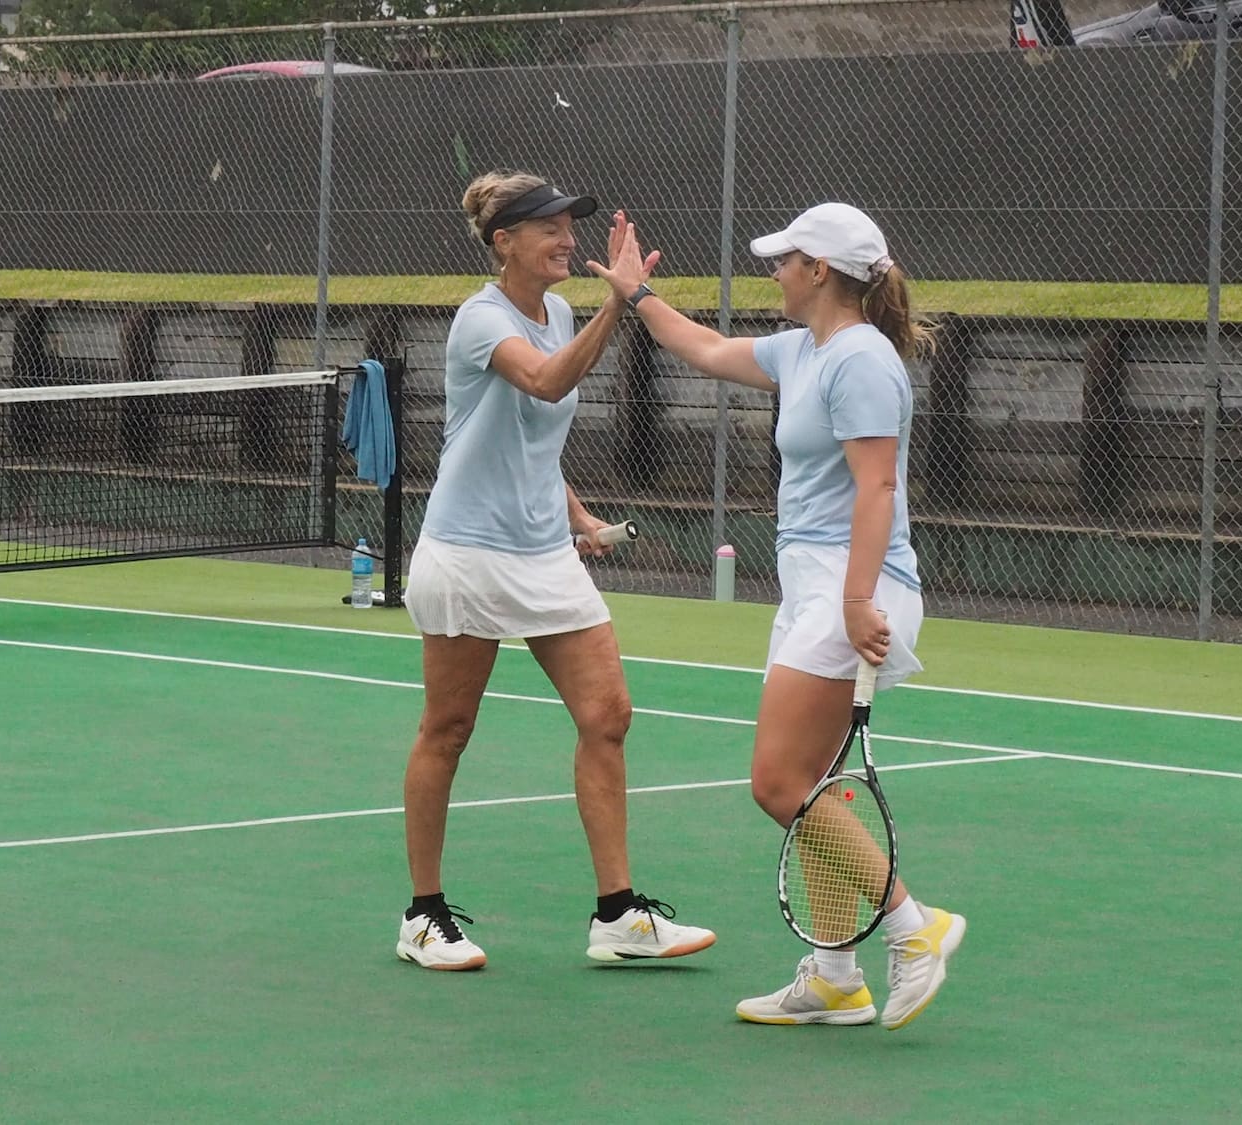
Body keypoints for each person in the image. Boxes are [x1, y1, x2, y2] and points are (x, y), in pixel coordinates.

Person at [588, 202, 964, 1029]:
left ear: (820, 271)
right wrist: (636, 295)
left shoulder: (861, 360)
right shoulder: (805, 350)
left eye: (785, 259)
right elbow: (709, 348)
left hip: (850, 584)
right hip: (814, 583)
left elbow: (879, 487)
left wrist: (858, 599)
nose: (774, 271)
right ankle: (835, 975)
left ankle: (916, 926)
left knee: (778, 782)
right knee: (819, 787)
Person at [395, 170, 715, 971]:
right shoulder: (480, 320)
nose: (568, 238)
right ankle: (424, 915)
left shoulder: (562, 310)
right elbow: (543, 382)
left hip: (545, 554)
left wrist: (580, 520)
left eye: (571, 225)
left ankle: (618, 915)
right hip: (467, 553)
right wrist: (623, 300)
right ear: (505, 242)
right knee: (450, 728)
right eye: (550, 228)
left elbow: (535, 439)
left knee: (608, 712)